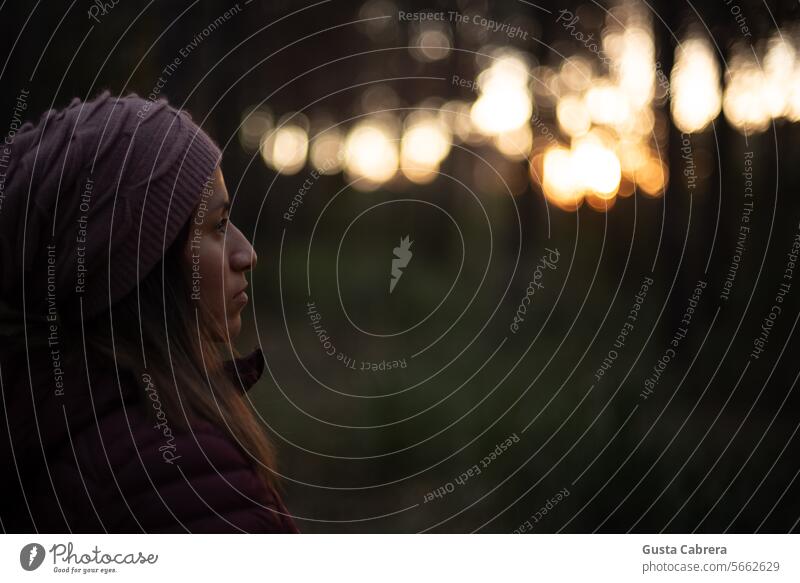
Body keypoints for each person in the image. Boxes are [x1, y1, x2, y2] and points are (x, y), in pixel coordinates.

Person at [0, 91, 299, 533]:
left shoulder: (46, 415)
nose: (247, 254)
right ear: (136, 266)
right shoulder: (175, 466)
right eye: (217, 226)